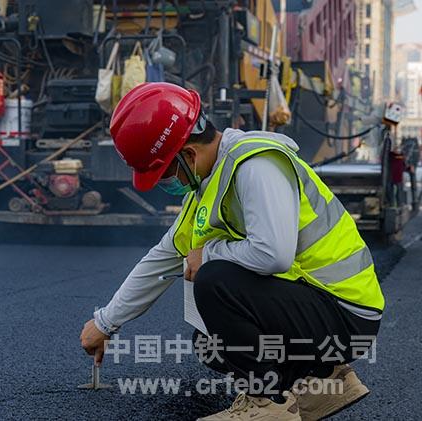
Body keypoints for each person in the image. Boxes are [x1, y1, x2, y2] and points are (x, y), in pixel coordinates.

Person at [80, 83, 383, 420]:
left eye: (165, 174)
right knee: (208, 343)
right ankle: (322, 382)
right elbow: (161, 258)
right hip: (315, 309)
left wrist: (208, 253)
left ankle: (267, 404)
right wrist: (106, 323)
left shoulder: (256, 164)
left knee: (214, 280)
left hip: (346, 313)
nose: (168, 183)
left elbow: (274, 255)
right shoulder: (208, 187)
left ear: (189, 155)